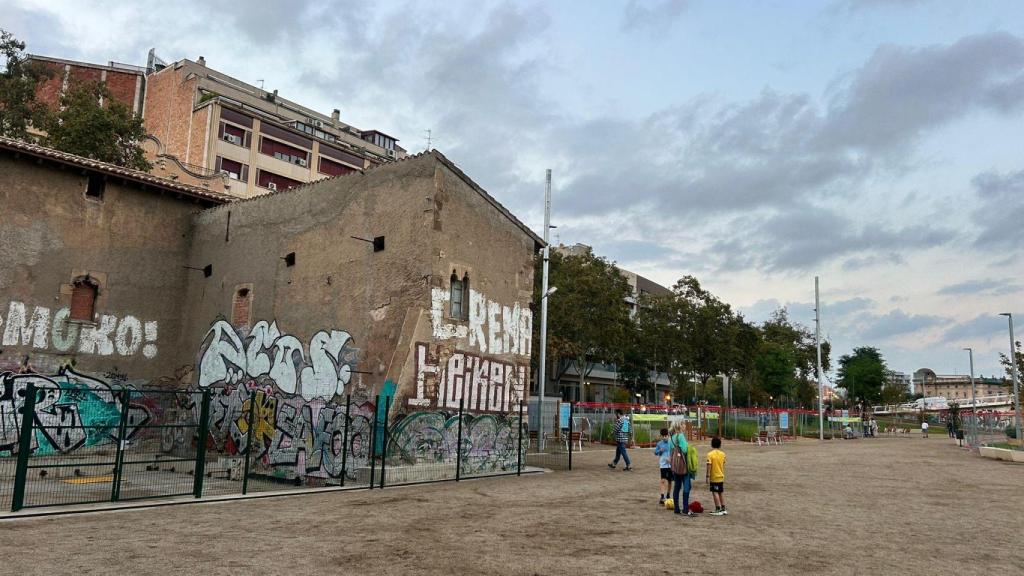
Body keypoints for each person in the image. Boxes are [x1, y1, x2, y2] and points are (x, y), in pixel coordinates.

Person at [670, 422, 693, 517]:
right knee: (687, 486)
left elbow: (670, 451)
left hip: (675, 466)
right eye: (683, 424)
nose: (685, 426)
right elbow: (685, 450)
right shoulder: (681, 436)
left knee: (677, 486)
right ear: (679, 426)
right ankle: (685, 509)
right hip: (683, 465)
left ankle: (676, 508)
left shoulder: (671, 437)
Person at [706, 436, 727, 516]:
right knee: (720, 492)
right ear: (720, 445)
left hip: (714, 477)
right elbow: (723, 464)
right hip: (721, 476)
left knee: (715, 492)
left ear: (712, 444)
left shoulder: (710, 454)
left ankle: (718, 509)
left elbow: (709, 465)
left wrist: (707, 476)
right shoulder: (723, 454)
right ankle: (723, 508)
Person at [653, 428, 673, 504]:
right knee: (663, 480)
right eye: (663, 436)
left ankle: (668, 495)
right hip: (663, 465)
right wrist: (660, 451)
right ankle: (662, 497)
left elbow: (674, 451)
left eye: (666, 436)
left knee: (670, 481)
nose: (665, 437)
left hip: (671, 465)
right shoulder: (659, 444)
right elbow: (655, 453)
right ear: (661, 436)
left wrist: (671, 459)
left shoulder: (671, 443)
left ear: (668, 435)